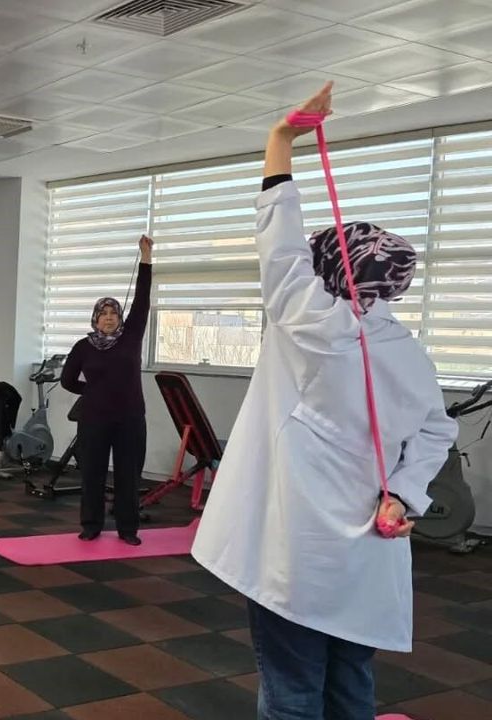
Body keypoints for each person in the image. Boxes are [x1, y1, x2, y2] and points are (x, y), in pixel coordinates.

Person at [190, 82, 458, 720]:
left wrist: (281, 138)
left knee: (292, 690)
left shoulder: (307, 325)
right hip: (369, 551)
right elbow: (436, 432)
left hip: (299, 551)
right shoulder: (407, 352)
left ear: (329, 271)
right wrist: (405, 495)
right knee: (350, 683)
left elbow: (279, 243)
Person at [61, 234, 153, 546]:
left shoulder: (132, 336)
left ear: (120, 317)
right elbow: (67, 380)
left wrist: (146, 257)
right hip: (94, 420)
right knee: (93, 475)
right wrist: (92, 391)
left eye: (114, 314)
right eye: (104, 314)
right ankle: (91, 525)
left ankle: (128, 529)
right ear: (96, 319)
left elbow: (142, 299)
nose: (110, 319)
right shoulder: (83, 346)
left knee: (128, 475)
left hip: (130, 419)